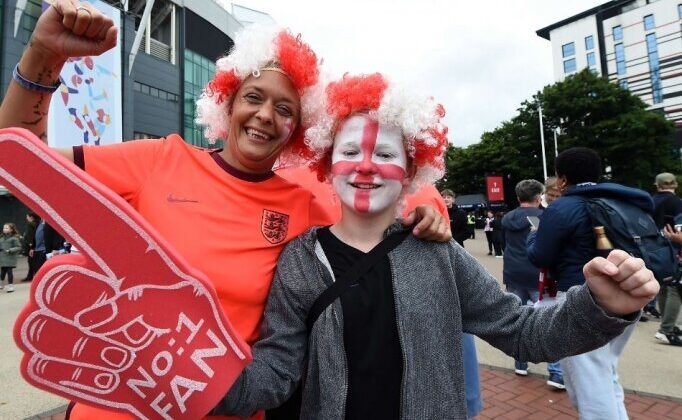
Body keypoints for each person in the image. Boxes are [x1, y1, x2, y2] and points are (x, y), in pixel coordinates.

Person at [0, 2, 449, 419]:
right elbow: (18, 161)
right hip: (116, 408)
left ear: (297, 129)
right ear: (228, 103)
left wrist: (426, 207)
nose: (265, 115)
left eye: (284, 108)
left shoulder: (304, 206)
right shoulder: (161, 159)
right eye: (254, 97)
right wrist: (43, 56)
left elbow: (374, 212)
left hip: (227, 409)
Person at [212, 73, 657, 419]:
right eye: (351, 151)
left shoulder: (439, 255)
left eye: (385, 155)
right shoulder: (301, 260)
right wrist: (196, 385)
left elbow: (524, 332)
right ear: (328, 166)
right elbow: (276, 372)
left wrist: (602, 306)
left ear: (411, 171)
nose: (366, 167)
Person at [527, 147, 654, 419]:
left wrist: (532, 237)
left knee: (589, 384)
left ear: (562, 179)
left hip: (582, 299)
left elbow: (541, 256)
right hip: (629, 296)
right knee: (604, 372)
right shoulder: (623, 199)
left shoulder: (562, 207)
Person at [502, 179, 564, 389]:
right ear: (539, 197)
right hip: (540, 276)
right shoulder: (546, 217)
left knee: (518, 320)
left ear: (519, 198)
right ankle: (555, 372)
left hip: (513, 273)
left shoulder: (507, 217)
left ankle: (520, 363)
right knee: (549, 322)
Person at [652, 172, 682, 346]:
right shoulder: (678, 203)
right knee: (675, 289)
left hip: (655, 249)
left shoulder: (651, 201)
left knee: (663, 286)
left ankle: (665, 324)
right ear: (675, 185)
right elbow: (679, 230)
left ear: (657, 185)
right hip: (675, 250)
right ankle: (666, 329)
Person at [0, 223, 23, 293]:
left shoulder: (14, 238)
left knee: (9, 271)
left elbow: (19, 247)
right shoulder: (1, 238)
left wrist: (10, 250)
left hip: (10, 258)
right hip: (2, 258)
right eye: (4, 228)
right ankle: (1, 283)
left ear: (11, 229)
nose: (4, 229)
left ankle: (10, 286)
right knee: (2, 272)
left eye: (6, 228)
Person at [21, 212, 39, 282]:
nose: (26, 218)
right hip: (36, 246)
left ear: (31, 217)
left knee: (31, 262)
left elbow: (30, 236)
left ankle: (31, 276)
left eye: (27, 216)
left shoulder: (30, 224)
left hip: (31, 247)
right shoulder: (38, 223)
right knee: (34, 261)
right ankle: (31, 275)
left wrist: (31, 246)